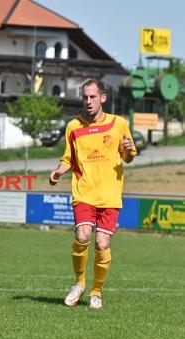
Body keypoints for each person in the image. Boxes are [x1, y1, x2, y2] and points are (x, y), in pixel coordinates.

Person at [49, 79, 137, 310]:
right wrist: (59, 171)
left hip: (110, 195)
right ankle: (79, 283)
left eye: (92, 97)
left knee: (102, 242)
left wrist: (128, 151)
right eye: (85, 97)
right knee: (82, 236)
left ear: (103, 98)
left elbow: (128, 156)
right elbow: (68, 158)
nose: (88, 101)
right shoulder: (73, 127)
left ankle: (96, 291)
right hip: (84, 192)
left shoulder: (119, 124)